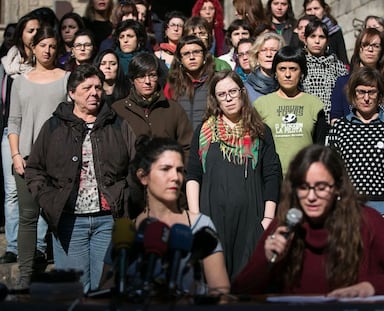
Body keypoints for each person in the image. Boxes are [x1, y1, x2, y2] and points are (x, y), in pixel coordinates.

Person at [233, 144, 384, 296]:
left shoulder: (366, 221)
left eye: (321, 187)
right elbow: (240, 291)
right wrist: (266, 260)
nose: (311, 197)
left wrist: (372, 286)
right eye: (304, 187)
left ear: (337, 187)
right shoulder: (285, 225)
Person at [25, 63, 136, 293]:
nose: (94, 93)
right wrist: (48, 200)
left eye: (98, 87)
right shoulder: (54, 126)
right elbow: (35, 169)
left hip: (108, 219)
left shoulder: (117, 123)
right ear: (72, 93)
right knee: (73, 291)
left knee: (105, 289)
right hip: (69, 221)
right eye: (87, 88)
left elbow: (136, 165)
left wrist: (126, 195)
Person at [100, 135, 230, 295]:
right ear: (143, 177)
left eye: (180, 170)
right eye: (165, 169)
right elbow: (104, 291)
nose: (175, 177)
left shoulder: (201, 226)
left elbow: (221, 291)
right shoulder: (126, 232)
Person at [186, 70, 282, 280]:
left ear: (242, 93)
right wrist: (195, 218)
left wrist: (267, 219)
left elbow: (272, 176)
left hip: (251, 222)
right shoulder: (203, 132)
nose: (228, 98)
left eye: (232, 91)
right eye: (222, 94)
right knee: (214, 287)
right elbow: (193, 174)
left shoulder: (260, 131)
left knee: (246, 286)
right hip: (211, 221)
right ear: (215, 99)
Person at [8, 26, 70, 288]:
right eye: (42, 45)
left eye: (53, 46)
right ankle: (25, 275)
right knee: (28, 217)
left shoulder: (67, 79)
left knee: (59, 216)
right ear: (32, 48)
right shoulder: (20, 81)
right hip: (27, 159)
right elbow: (14, 122)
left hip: (58, 160)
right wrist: (16, 155)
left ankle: (63, 271)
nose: (48, 50)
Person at [112, 52, 193, 217]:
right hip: (132, 199)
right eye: (141, 76)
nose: (147, 81)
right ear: (132, 79)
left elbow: (187, 147)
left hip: (171, 196)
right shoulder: (117, 110)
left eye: (152, 75)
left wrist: (178, 176)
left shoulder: (173, 109)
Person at [329, 66, 384, 233]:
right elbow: (333, 168)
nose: (366, 98)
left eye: (372, 92)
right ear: (352, 94)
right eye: (361, 92)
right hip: (349, 208)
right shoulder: (340, 128)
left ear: (380, 96)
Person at [0, 13, 40, 265]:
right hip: (10, 132)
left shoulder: (46, 64)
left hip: (39, 132)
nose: (34, 34)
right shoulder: (7, 65)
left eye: (38, 30)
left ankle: (39, 246)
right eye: (30, 30)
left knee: (40, 190)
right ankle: (14, 246)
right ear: (21, 34)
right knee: (12, 191)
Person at [254, 46, 327, 176]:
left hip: (305, 177)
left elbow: (320, 148)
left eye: (293, 69)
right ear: (275, 72)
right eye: (282, 69)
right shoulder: (261, 105)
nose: (287, 74)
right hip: (272, 178)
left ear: (302, 72)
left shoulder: (315, 105)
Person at [330, 28, 384, 132]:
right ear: (358, 48)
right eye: (366, 45)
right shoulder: (343, 82)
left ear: (381, 51)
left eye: (376, 46)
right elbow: (336, 117)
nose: (370, 50)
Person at [302, 18, 348, 123]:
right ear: (305, 40)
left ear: (327, 41)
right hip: (306, 122)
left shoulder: (338, 66)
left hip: (332, 123)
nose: (317, 41)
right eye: (312, 36)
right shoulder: (299, 65)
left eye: (321, 37)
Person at [165, 35, 216, 129]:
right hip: (181, 141)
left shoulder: (215, 82)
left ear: (204, 55)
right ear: (180, 59)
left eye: (196, 52)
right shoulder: (172, 84)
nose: (192, 57)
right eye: (186, 53)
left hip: (208, 139)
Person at [303, 0, 348, 65]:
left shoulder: (334, 30)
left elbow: (342, 56)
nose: (313, 12)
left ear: (324, 10)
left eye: (316, 8)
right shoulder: (300, 30)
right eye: (309, 9)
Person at [244, 31, 285, 102]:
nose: (269, 54)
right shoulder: (246, 89)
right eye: (263, 50)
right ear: (256, 55)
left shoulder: (289, 84)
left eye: (274, 50)